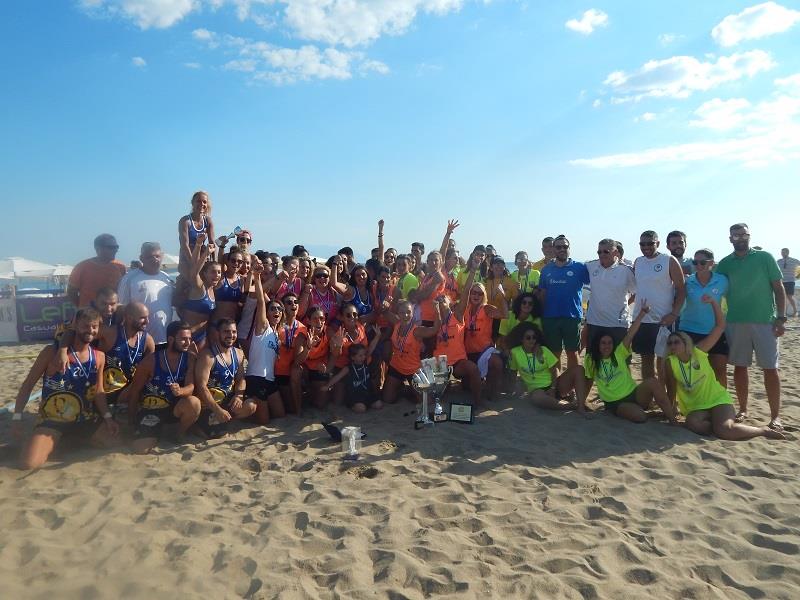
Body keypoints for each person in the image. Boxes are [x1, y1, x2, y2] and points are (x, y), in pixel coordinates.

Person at [665, 296, 783, 441]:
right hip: (696, 407)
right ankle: (717, 423)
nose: (673, 346)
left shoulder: (698, 352)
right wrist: (671, 412)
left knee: (725, 430)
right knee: (695, 425)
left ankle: (762, 431)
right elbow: (671, 387)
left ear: (685, 343)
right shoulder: (670, 362)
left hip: (717, 400)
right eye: (670, 343)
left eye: (676, 342)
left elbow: (720, 326)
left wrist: (714, 303)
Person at [13, 308, 119, 469]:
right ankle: (50, 440)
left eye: (94, 326)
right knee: (28, 464)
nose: (90, 330)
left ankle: (67, 440)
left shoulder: (99, 356)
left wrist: (108, 417)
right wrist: (17, 417)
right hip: (53, 421)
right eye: (85, 326)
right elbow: (28, 385)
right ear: (75, 326)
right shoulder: (51, 352)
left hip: (84, 419)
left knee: (115, 444)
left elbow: (99, 391)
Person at [716, 223, 786, 431]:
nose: (740, 238)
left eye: (743, 234)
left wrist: (781, 318)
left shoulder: (765, 257)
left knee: (770, 368)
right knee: (740, 367)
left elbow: (778, 288)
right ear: (730, 239)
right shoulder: (725, 263)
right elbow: (715, 290)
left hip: (765, 322)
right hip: (735, 322)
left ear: (749, 235)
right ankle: (743, 409)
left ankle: (775, 416)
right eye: (736, 235)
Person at [583, 304, 676, 423]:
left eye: (609, 343)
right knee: (640, 417)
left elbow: (630, 334)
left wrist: (642, 314)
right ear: (598, 344)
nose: (607, 346)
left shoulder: (618, 353)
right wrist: (581, 403)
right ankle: (650, 414)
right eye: (603, 343)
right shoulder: (591, 360)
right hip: (615, 402)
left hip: (634, 393)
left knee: (653, 382)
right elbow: (588, 380)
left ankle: (672, 420)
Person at [127, 321, 202, 454]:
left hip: (173, 408)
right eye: (183, 339)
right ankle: (158, 431)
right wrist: (131, 420)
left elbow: (191, 386)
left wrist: (180, 391)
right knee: (140, 449)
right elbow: (135, 391)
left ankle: (178, 434)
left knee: (194, 403)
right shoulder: (151, 360)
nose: (188, 343)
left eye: (189, 339)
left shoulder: (190, 358)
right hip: (151, 409)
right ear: (171, 339)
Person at [632, 230, 686, 381]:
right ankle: (650, 392)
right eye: (642, 244)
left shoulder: (669, 260)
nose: (646, 247)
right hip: (641, 319)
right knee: (646, 359)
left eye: (650, 243)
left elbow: (681, 290)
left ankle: (668, 395)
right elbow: (637, 289)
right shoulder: (638, 261)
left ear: (658, 243)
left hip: (663, 320)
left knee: (665, 360)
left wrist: (674, 314)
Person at [194, 319, 255, 438]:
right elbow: (201, 387)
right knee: (214, 435)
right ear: (218, 333)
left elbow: (241, 379)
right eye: (226, 331)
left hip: (227, 400)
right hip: (209, 404)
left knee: (251, 406)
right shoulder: (207, 356)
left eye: (234, 332)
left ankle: (224, 421)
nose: (231, 335)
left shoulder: (239, 353)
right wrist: (217, 410)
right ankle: (199, 425)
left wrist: (239, 395)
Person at [506, 322, 586, 413]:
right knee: (537, 398)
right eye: (528, 338)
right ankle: (570, 406)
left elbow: (554, 370)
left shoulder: (543, 350)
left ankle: (581, 407)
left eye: (534, 337)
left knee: (579, 369)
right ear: (521, 339)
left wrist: (553, 388)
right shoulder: (515, 353)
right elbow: (513, 372)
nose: (532, 340)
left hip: (555, 385)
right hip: (537, 390)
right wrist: (511, 391)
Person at [679, 249, 729, 387]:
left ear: (711, 263)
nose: (698, 265)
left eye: (702, 262)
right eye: (695, 262)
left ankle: (722, 398)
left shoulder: (722, 280)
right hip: (689, 330)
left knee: (719, 369)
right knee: (692, 371)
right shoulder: (688, 281)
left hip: (715, 330)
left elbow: (732, 300)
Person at [539, 235, 590, 369]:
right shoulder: (546, 270)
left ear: (569, 248)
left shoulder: (579, 267)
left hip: (572, 317)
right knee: (554, 353)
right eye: (558, 247)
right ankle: (557, 380)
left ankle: (572, 380)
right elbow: (543, 294)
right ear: (553, 249)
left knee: (572, 352)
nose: (562, 249)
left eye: (565, 246)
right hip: (550, 317)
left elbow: (597, 281)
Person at [244, 266, 284, 424]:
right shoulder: (263, 326)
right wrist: (257, 277)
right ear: (267, 313)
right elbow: (261, 301)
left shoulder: (276, 334)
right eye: (273, 308)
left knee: (280, 415)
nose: (276, 311)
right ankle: (245, 409)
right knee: (264, 421)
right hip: (256, 377)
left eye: (279, 309)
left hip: (270, 379)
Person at [381, 300, 440, 404]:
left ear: (412, 313)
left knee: (427, 402)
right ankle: (402, 387)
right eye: (402, 312)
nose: (405, 315)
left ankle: (410, 389)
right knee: (387, 399)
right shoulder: (396, 323)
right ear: (398, 313)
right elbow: (384, 312)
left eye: (408, 312)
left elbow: (434, 330)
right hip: (397, 366)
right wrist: (385, 305)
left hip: (413, 370)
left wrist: (437, 311)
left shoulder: (417, 331)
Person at [117, 242, 174, 345]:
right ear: (141, 258)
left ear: (162, 256)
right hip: (140, 341)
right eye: (149, 257)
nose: (154, 260)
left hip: (165, 339)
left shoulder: (166, 278)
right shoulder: (129, 279)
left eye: (157, 256)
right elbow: (121, 308)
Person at [584, 239, 636, 348]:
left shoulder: (626, 270)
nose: (602, 255)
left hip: (618, 324)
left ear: (616, 252)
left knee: (620, 357)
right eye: (599, 252)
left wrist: (626, 304)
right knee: (594, 356)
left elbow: (638, 292)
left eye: (606, 252)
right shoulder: (591, 266)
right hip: (595, 323)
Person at [463, 281, 507, 400]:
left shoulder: (486, 308)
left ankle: (492, 391)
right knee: (466, 387)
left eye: (480, 293)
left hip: (484, 351)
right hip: (468, 352)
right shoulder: (464, 308)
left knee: (497, 363)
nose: (476, 296)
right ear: (469, 294)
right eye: (474, 292)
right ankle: (480, 382)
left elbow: (505, 315)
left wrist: (502, 297)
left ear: (484, 295)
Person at [179, 233, 220, 349]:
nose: (217, 275)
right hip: (188, 335)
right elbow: (194, 272)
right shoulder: (199, 287)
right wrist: (200, 247)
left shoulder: (213, 291)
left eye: (219, 272)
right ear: (205, 274)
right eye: (213, 272)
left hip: (203, 336)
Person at [327, 334, 383, 413]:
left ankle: (365, 404)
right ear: (352, 357)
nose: (363, 357)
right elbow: (338, 377)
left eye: (364, 355)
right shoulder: (348, 368)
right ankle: (353, 406)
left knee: (379, 405)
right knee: (361, 409)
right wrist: (327, 386)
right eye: (360, 356)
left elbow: (371, 347)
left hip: (366, 392)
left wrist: (377, 336)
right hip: (355, 395)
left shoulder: (365, 362)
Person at [67, 234, 127, 307]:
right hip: (89, 312)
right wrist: (83, 308)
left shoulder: (120, 267)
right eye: (111, 247)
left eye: (116, 247)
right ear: (98, 248)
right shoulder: (81, 267)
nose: (115, 250)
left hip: (113, 311)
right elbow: (71, 292)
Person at [274, 293, 309, 416]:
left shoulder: (303, 328)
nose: (293, 304)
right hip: (278, 371)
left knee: (296, 370)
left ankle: (299, 411)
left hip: (294, 370)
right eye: (289, 302)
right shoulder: (277, 326)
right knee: (287, 408)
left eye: (295, 302)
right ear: (283, 307)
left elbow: (301, 358)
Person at [178, 191, 216, 278]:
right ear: (192, 203)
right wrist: (193, 265)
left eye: (204, 202)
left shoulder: (208, 221)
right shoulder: (185, 221)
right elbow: (184, 245)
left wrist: (214, 263)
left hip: (201, 260)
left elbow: (212, 243)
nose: (202, 204)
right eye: (198, 201)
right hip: (186, 261)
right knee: (191, 282)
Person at [778, 248, 799, 317]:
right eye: (781, 252)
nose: (782, 254)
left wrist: (798, 276)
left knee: (789, 296)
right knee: (782, 297)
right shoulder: (779, 261)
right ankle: (783, 313)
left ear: (787, 252)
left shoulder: (794, 260)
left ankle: (795, 311)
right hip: (781, 281)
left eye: (784, 252)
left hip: (790, 281)